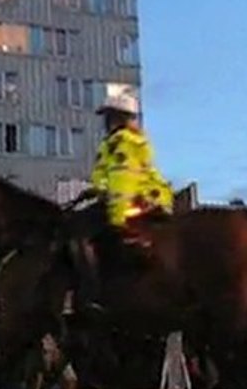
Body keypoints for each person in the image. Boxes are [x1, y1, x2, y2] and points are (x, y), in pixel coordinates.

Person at [70, 88, 173, 314]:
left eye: (109, 116)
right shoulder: (133, 141)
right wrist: (94, 191)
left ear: (118, 117)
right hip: (146, 198)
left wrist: (118, 221)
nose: (106, 122)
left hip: (130, 203)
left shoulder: (121, 142)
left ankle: (91, 295)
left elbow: (122, 182)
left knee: (79, 234)